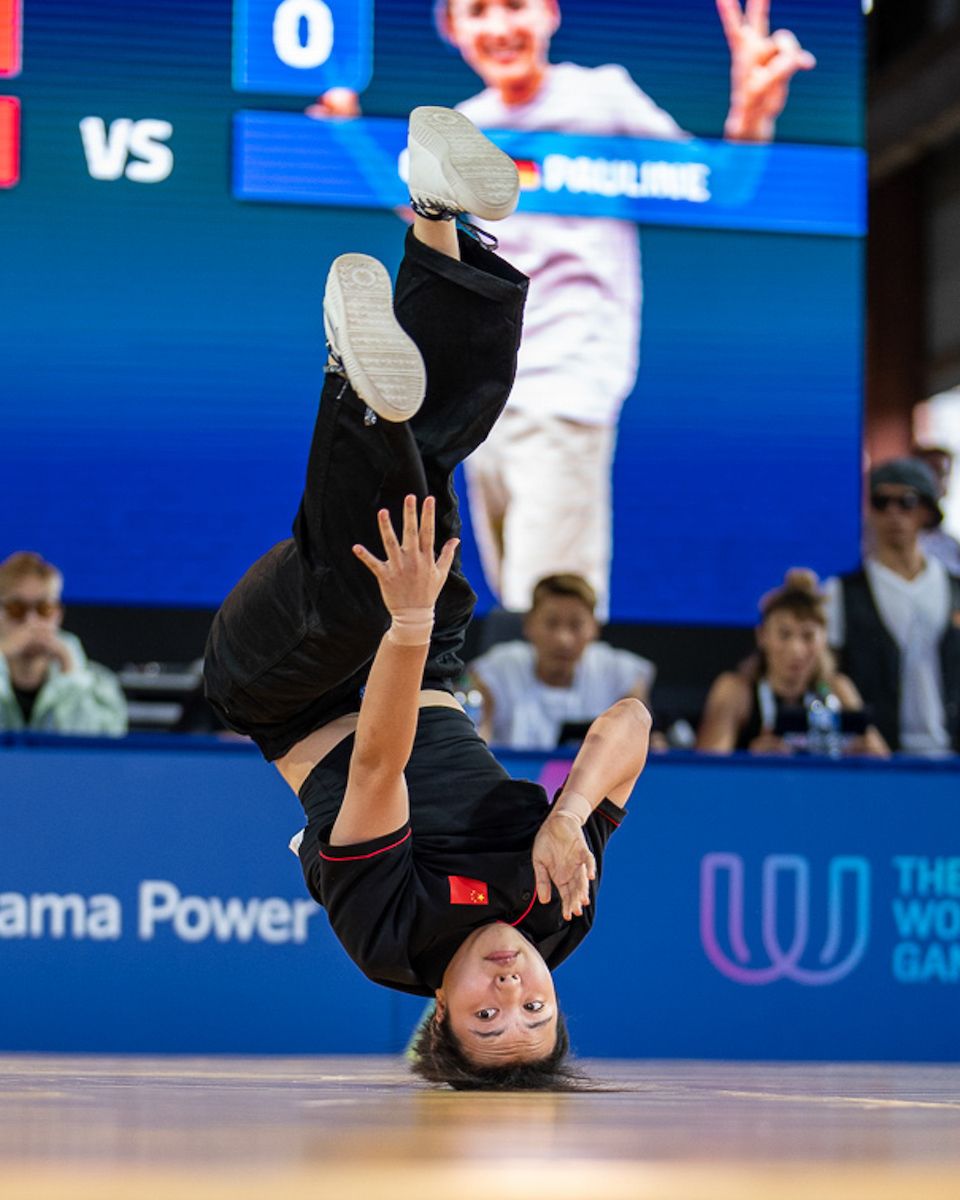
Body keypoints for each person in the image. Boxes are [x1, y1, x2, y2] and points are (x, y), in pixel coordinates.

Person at [203, 108, 652, 1090]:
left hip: (289, 686)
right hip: (429, 651)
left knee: (366, 579)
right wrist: (571, 814)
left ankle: (353, 386)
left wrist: (407, 622)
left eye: (488, 1018)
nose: (512, 986)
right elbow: (630, 723)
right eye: (536, 1008)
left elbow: (375, 766)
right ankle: (443, 225)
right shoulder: (557, 907)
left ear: (438, 1019)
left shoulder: (390, 942)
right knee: (436, 452)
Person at [310, 0, 816, 618]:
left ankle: (572, 718)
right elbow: (417, 208)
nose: (499, 27)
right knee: (503, 593)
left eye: (516, 5)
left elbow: (718, 185)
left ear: (549, 12)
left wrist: (750, 110)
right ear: (453, 31)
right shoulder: (464, 125)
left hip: (569, 383)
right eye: (477, 12)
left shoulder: (601, 96)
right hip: (484, 394)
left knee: (549, 601)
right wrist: (347, 130)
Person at [823, 459, 960, 757]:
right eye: (881, 502)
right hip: (875, 757)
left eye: (906, 502)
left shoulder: (955, 589)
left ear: (926, 510)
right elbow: (826, 673)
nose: (893, 514)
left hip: (951, 755)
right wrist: (857, 730)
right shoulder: (841, 592)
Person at [697, 568, 888, 757]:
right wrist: (751, 760)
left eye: (808, 636)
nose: (796, 650)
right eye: (784, 635)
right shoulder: (735, 692)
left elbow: (886, 766)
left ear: (824, 640)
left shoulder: (838, 690)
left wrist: (860, 756)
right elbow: (707, 768)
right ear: (762, 636)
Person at [469, 572, 654, 749]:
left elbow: (640, 746)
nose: (563, 639)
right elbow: (474, 739)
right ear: (528, 624)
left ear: (595, 628)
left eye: (576, 625)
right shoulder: (496, 671)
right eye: (551, 623)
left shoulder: (620, 674)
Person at [0, 551, 128, 735]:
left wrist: (70, 671)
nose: (31, 621)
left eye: (44, 609)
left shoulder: (99, 686)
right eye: (16, 609)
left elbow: (95, 756)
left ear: (58, 614)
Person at [912, 445, 960, 576]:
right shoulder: (883, 533)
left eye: (943, 474)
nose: (936, 480)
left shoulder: (951, 545)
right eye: (930, 471)